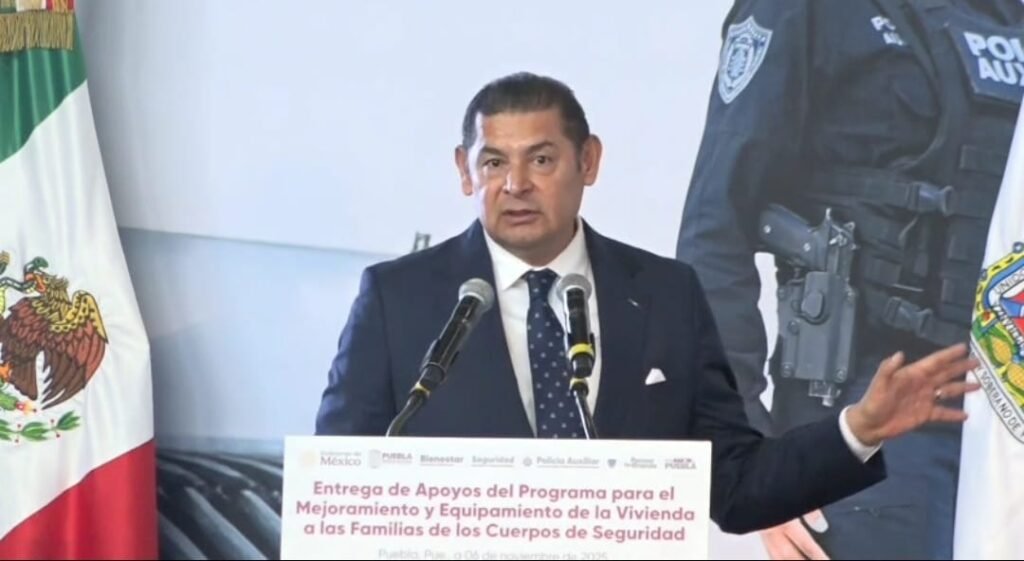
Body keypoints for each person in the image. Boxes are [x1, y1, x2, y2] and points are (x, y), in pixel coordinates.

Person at [315, 71, 980, 535]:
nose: (515, 184)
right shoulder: (399, 300)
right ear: (465, 170)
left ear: (589, 161)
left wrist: (857, 427)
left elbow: (734, 486)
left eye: (541, 160)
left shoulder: (665, 295)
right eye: (493, 163)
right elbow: (341, 485)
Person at [676, 0, 1024, 558]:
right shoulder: (805, 10)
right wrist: (748, 457)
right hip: (870, 424)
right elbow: (715, 232)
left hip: (1005, 422)